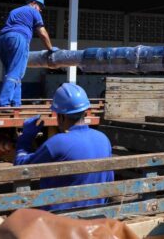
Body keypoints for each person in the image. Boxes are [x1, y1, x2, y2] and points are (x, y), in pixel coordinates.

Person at [15, 83, 113, 211]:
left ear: (61, 116)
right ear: (85, 111)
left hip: (59, 220)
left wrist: (25, 138)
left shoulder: (57, 143)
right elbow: (109, 179)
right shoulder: (103, 139)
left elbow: (21, 168)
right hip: (96, 215)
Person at [0, 0, 57, 107]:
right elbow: (42, 33)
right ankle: (2, 103)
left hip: (2, 39)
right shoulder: (33, 11)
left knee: (13, 71)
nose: (40, 10)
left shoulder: (14, 11)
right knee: (15, 72)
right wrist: (50, 48)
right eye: (40, 7)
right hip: (18, 38)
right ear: (34, 3)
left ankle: (16, 103)